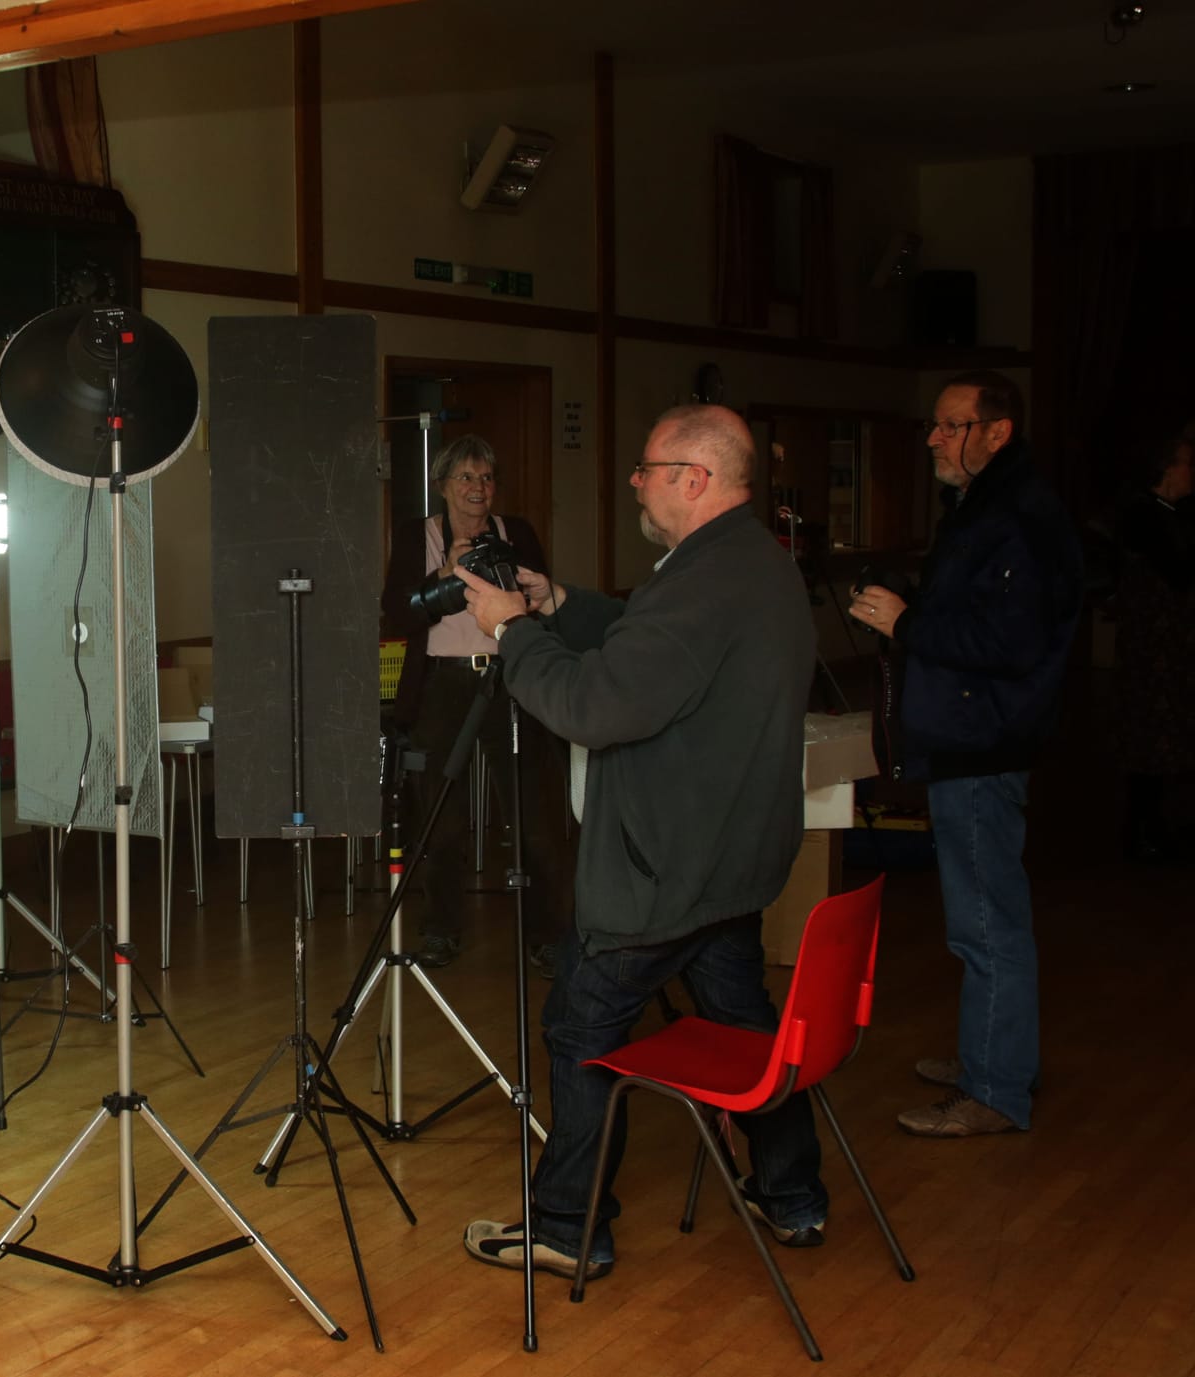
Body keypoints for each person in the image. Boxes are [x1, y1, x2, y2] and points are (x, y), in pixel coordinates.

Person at [454, 404, 828, 1278]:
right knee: (742, 1021)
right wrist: (558, 604)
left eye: (649, 466)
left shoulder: (702, 581)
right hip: (730, 867)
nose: (635, 480)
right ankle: (793, 1195)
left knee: (579, 1025)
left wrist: (512, 629)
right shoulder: (752, 563)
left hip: (664, 872)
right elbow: (655, 647)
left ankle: (564, 1228)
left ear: (695, 479)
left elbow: (597, 705)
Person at [848, 371, 1082, 1138]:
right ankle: (994, 1053)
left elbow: (1009, 642)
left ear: (996, 432)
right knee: (983, 917)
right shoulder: (991, 508)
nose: (933, 439)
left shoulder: (1015, 517)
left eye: (951, 426)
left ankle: (995, 1085)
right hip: (973, 738)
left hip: (983, 744)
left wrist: (906, 622)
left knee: (986, 922)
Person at [381, 434, 555, 969]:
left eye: (485, 478)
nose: (478, 489)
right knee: (441, 815)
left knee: (532, 815)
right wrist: (444, 573)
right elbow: (395, 614)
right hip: (440, 685)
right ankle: (441, 930)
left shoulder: (514, 533)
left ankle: (547, 937)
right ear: (443, 486)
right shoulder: (419, 536)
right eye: (466, 478)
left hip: (508, 679)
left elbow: (542, 604)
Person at [1112, 421, 1195, 864]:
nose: (1192, 472)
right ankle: (1144, 830)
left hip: (1170, 649)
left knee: (1166, 737)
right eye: (1186, 463)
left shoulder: (1170, 514)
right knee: (1150, 738)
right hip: (1152, 651)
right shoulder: (1144, 516)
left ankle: (1157, 826)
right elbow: (1178, 573)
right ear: (1165, 468)